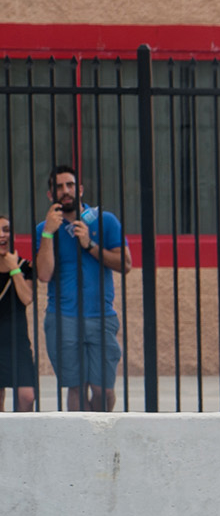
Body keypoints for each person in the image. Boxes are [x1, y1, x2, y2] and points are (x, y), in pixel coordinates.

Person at [35, 164, 129, 411]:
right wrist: (48, 233)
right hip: (62, 318)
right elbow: (43, 275)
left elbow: (125, 264)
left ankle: (99, 432)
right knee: (76, 387)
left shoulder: (105, 221)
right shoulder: (43, 229)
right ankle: (81, 435)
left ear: (80, 190)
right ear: (51, 195)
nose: (65, 191)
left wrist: (89, 244)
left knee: (103, 390)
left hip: (101, 316)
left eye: (70, 185)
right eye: (59, 187)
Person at [0, 214, 37, 411]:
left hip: (17, 343)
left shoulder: (25, 266)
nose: (2, 235)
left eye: (6, 230)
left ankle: (23, 432)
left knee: (27, 397)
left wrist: (14, 268)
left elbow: (26, 298)